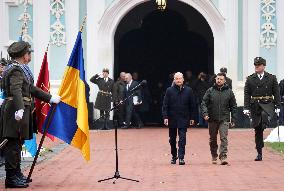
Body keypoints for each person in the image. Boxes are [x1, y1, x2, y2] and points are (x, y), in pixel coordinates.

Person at [0, 41, 61, 188]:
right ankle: (11, 177)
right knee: (12, 144)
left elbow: (30, 89)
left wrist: (49, 97)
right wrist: (19, 108)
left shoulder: (21, 69)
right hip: (15, 111)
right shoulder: (15, 70)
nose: (30, 55)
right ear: (23, 55)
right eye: (28, 53)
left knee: (18, 143)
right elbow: (15, 90)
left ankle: (17, 173)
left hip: (20, 110)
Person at [243, 57, 280, 161]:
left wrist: (278, 106)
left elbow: (276, 93)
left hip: (268, 104)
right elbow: (247, 94)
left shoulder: (272, 78)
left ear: (264, 66)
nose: (256, 67)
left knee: (264, 116)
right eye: (255, 65)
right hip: (255, 106)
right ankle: (259, 152)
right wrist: (246, 107)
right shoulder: (250, 79)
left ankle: (265, 122)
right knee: (257, 130)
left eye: (258, 65)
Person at [201, 73, 237, 165]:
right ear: (215, 80)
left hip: (224, 119)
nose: (219, 80)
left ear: (224, 81)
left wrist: (233, 119)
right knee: (213, 139)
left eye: (221, 79)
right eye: (218, 79)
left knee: (223, 138)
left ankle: (223, 156)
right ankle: (214, 155)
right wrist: (205, 114)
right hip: (212, 119)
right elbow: (204, 103)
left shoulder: (229, 92)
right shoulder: (210, 91)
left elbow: (233, 106)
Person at [162, 72, 195, 165]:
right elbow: (165, 105)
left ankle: (181, 157)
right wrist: (165, 116)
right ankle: (174, 156)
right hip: (172, 118)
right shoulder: (169, 90)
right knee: (172, 139)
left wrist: (192, 117)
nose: (178, 80)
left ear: (183, 79)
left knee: (182, 138)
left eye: (180, 78)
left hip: (184, 118)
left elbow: (192, 105)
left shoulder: (189, 90)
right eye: (176, 79)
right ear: (174, 80)